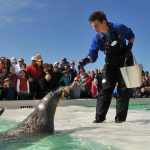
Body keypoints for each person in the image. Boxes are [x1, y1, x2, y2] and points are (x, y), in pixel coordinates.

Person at [79, 11, 135, 123]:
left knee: (124, 90)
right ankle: (99, 117)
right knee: (106, 88)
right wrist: (86, 60)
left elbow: (131, 36)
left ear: (104, 22)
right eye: (93, 26)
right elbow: (92, 54)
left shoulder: (119, 27)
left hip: (125, 59)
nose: (95, 29)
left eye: (96, 25)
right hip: (111, 62)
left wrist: (129, 48)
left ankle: (120, 119)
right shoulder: (97, 38)